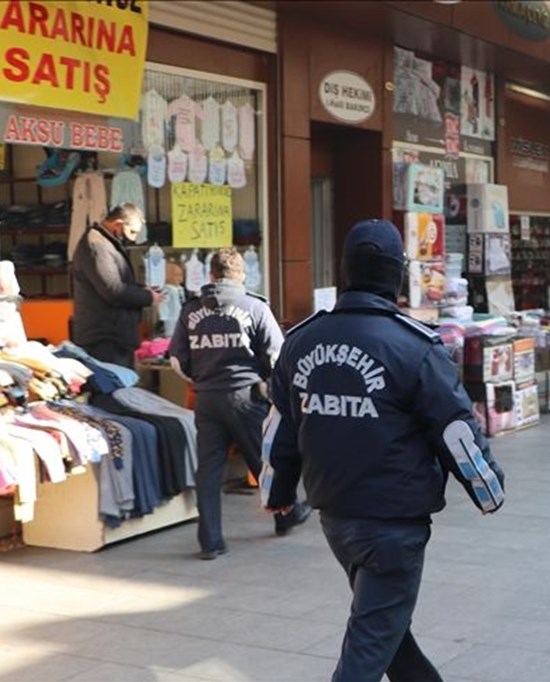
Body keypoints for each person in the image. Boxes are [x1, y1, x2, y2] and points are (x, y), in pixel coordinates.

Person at [263, 220, 505, 682]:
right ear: (396, 275)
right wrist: (487, 490)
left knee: (387, 628)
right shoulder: (413, 346)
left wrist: (277, 489)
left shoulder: (301, 341)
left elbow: (281, 425)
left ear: (347, 271)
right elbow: (456, 430)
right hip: (394, 524)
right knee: (371, 642)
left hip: (336, 518)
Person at [168, 248, 310, 560]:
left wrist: (200, 379)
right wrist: (269, 383)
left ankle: (211, 542)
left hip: (206, 399)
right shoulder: (254, 306)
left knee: (208, 470)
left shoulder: (190, 310)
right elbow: (278, 356)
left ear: (210, 276)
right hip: (245, 396)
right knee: (263, 461)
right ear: (241, 275)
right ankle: (286, 514)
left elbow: (177, 359)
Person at [70, 203, 165, 368]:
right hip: (105, 339)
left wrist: (141, 290)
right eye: (132, 232)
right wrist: (148, 297)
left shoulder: (104, 243)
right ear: (118, 224)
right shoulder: (97, 246)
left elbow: (118, 283)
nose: (133, 238)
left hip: (113, 337)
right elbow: (114, 290)